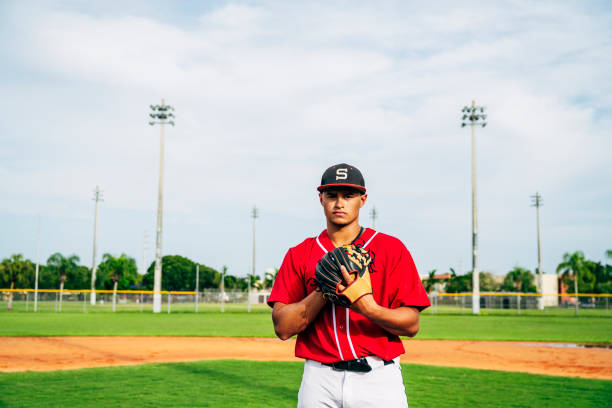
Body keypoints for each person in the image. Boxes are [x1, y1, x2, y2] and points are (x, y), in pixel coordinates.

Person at [268, 163, 430, 408]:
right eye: (332, 195)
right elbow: (283, 328)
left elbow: (411, 324)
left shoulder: (391, 249)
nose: (339, 203)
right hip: (319, 380)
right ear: (320, 198)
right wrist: (324, 288)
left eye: (349, 195)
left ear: (363, 199)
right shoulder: (299, 254)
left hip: (378, 378)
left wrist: (368, 308)